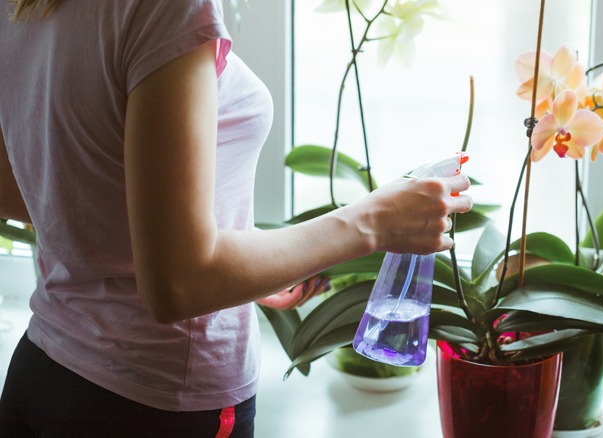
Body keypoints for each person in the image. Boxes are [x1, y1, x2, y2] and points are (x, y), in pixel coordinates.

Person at [0, 0, 472, 436]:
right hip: (150, 403)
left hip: (42, 375)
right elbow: (178, 285)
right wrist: (374, 220)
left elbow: (27, 186)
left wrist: (224, 258)